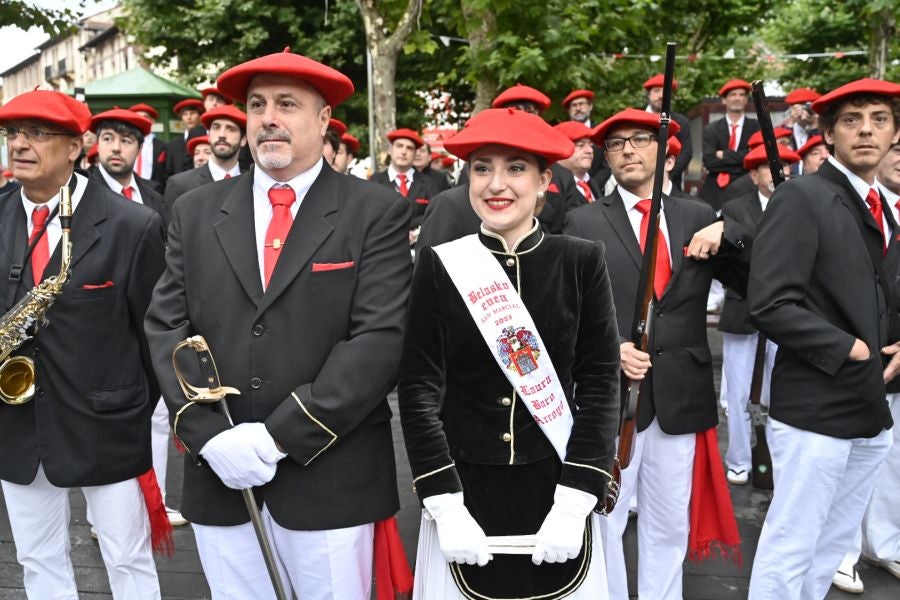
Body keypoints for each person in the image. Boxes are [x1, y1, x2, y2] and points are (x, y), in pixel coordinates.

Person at [144, 49, 413, 599]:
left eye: (287, 104)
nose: (269, 117)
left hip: (330, 476)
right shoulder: (195, 211)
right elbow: (166, 326)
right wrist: (209, 435)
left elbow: (378, 341)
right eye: (257, 104)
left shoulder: (374, 211)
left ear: (322, 121)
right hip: (221, 478)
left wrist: (275, 439)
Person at [399, 106, 619, 599]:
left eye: (516, 168)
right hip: (464, 489)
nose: (496, 184)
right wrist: (443, 503)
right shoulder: (443, 266)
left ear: (545, 180)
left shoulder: (581, 262)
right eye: (482, 168)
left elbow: (602, 383)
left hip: (557, 482)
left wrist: (577, 498)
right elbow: (417, 390)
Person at [565, 108, 749, 600]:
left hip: (680, 395)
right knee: (605, 518)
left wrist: (727, 234)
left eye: (641, 140)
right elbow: (563, 309)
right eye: (617, 143)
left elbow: (754, 282)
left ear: (665, 150)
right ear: (605, 157)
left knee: (669, 522)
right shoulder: (581, 221)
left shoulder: (695, 216)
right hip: (610, 397)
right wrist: (610, 349)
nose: (629, 150)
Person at [0, 89, 168, 599]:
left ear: (76, 147)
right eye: (12, 134)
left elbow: (153, 336)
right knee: (36, 557)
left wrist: (129, 407)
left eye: (37, 134)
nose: (20, 145)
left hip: (107, 423)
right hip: (17, 423)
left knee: (127, 557)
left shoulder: (133, 224)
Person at [747, 78, 900, 600]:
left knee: (832, 546)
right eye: (851, 120)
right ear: (829, 134)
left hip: (872, 409)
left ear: (893, 132)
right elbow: (769, 303)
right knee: (792, 543)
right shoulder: (802, 197)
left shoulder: (886, 207)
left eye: (879, 119)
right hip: (814, 408)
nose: (866, 130)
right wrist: (850, 348)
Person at [717, 143, 800, 485]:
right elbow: (729, 257)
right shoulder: (735, 208)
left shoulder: (800, 205)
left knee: (784, 391)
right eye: (771, 167)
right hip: (743, 310)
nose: (781, 172)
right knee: (738, 393)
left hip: (788, 314)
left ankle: (778, 458)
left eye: (788, 166)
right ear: (753, 174)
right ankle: (739, 458)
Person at [163, 104, 246, 222]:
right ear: (208, 136)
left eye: (230, 129)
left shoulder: (252, 183)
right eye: (216, 127)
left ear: (243, 140)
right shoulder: (179, 185)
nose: (222, 135)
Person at [700, 79, 761, 211]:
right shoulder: (711, 129)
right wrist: (742, 160)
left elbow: (755, 158)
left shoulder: (756, 127)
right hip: (715, 192)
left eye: (741, 95)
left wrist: (723, 154)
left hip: (748, 189)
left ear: (746, 100)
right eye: (733, 94)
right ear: (724, 100)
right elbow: (709, 161)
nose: (737, 98)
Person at [370, 128, 436, 245]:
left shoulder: (428, 183)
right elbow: (370, 216)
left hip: (418, 249)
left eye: (409, 148)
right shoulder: (375, 181)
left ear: (415, 153)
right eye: (399, 146)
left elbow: (433, 214)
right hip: (383, 247)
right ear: (390, 150)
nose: (404, 152)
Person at [90, 107, 164, 210]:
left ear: (140, 149)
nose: (116, 148)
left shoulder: (155, 197)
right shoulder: (80, 192)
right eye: (107, 139)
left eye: (126, 141)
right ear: (97, 144)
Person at [643, 74, 692, 190]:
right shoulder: (636, 119)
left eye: (665, 91)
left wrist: (667, 175)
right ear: (648, 94)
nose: (661, 96)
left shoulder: (681, 122)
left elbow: (686, 153)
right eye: (656, 91)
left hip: (671, 183)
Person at [129, 102, 168, 189]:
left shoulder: (164, 147)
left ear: (152, 121)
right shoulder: (124, 144)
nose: (141, 120)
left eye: (145, 117)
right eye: (137, 117)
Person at [165, 98, 205, 176]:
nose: (189, 117)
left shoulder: (208, 139)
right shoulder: (173, 144)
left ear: (200, 116)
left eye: (192, 113)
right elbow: (169, 171)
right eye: (185, 114)